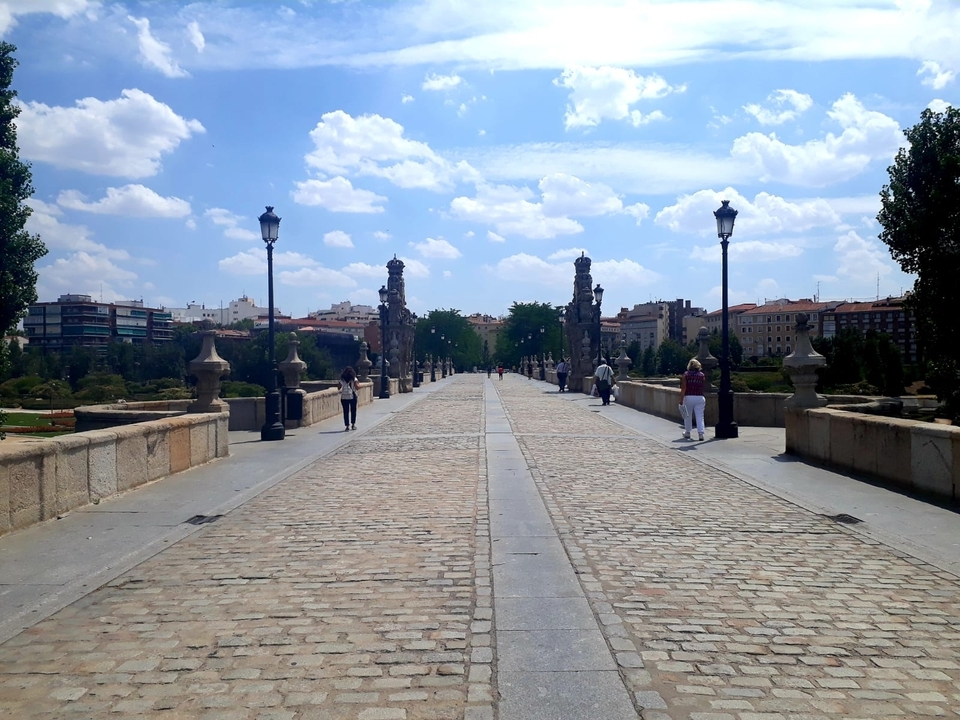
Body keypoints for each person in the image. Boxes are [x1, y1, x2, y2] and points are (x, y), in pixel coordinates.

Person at [680, 358, 706, 441]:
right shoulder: (702, 375)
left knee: (687, 415)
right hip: (699, 397)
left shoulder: (686, 374)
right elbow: (703, 386)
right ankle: (701, 433)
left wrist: (681, 399)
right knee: (700, 416)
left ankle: (688, 432)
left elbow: (684, 387)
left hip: (688, 396)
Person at [338, 366, 361, 431]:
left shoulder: (342, 379)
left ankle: (347, 426)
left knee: (346, 411)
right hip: (352, 396)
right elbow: (357, 387)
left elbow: (338, 387)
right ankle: (353, 425)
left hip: (344, 397)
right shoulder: (354, 379)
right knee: (353, 411)